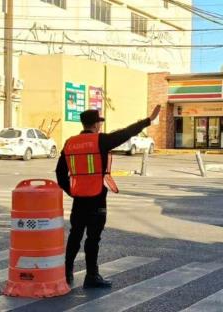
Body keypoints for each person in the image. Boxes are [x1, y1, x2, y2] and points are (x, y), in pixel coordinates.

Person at [56, 105, 161, 289]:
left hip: (79, 198)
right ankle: (91, 275)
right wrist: (148, 120)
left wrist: (71, 191)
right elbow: (126, 133)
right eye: (99, 123)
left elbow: (59, 172)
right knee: (93, 238)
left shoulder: (70, 143)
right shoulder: (101, 141)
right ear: (96, 125)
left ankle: (66, 271)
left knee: (75, 234)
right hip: (96, 197)